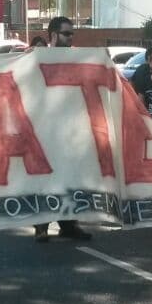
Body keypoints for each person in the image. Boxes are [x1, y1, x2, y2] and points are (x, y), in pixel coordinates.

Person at [34, 17, 92, 243]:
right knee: (46, 179)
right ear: (53, 35)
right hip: (44, 129)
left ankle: (69, 224)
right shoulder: (37, 59)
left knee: (69, 177)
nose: (71, 38)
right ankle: (41, 225)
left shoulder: (74, 60)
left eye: (72, 34)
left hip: (69, 131)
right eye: (67, 34)